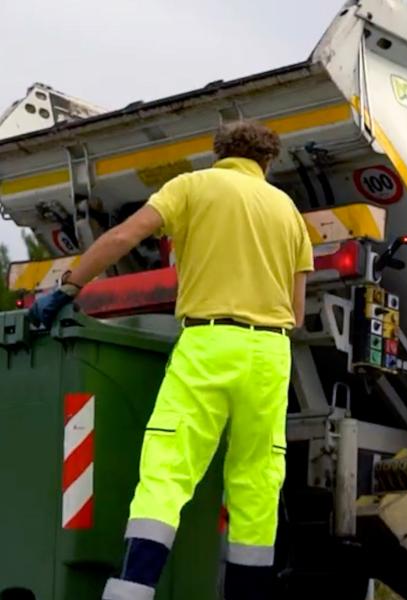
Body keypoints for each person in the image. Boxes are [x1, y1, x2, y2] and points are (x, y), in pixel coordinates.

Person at [29, 121, 314, 600]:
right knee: (257, 479)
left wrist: (69, 287)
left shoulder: (192, 186)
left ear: (218, 152)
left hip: (208, 344)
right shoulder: (288, 212)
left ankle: (132, 591)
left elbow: (123, 238)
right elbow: (298, 310)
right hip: (270, 354)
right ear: (268, 161)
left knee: (169, 468)